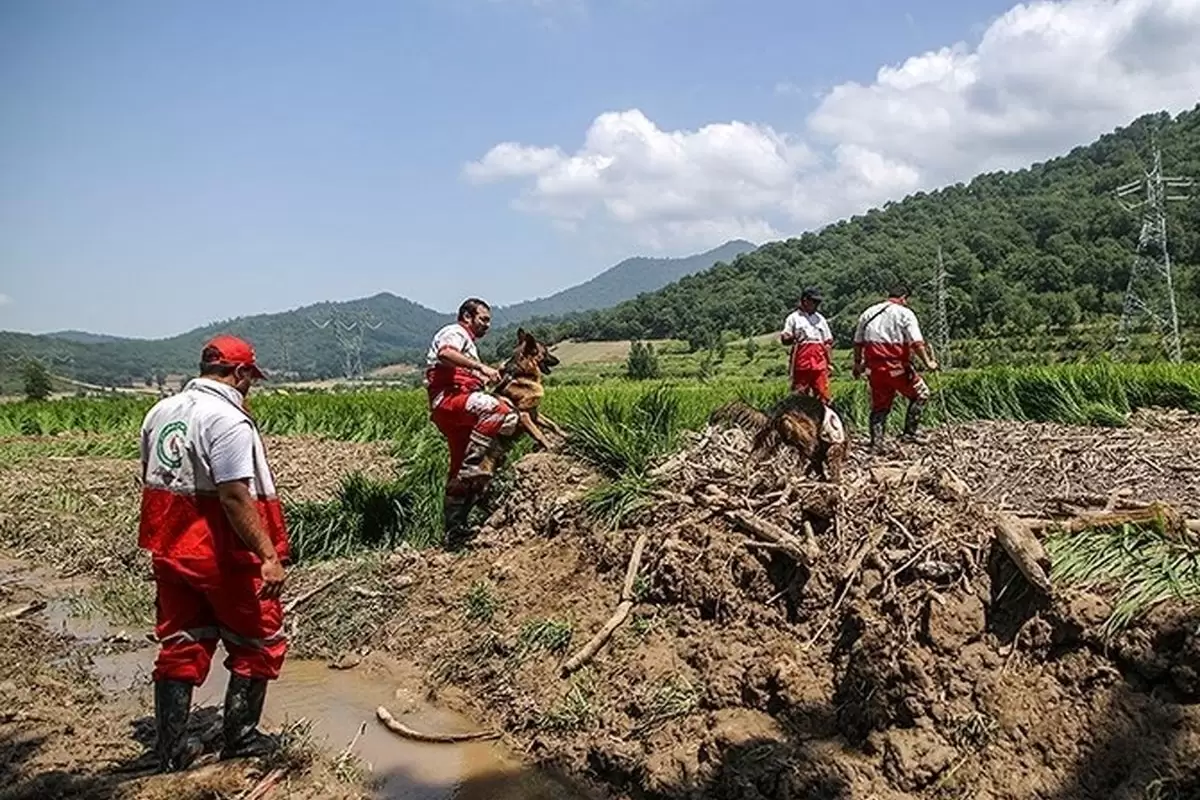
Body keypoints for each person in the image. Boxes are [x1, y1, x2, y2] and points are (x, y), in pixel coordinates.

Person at [138, 335, 289, 772]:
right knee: (258, 641)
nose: (250, 387)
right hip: (222, 553)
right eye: (250, 379)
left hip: (170, 548)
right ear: (240, 374)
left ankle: (170, 749)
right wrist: (267, 555)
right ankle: (240, 738)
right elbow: (235, 496)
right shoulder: (227, 419)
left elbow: (149, 476)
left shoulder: (160, 411)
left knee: (182, 642)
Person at [424, 298, 518, 545]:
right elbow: (445, 353)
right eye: (483, 319)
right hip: (450, 400)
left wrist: (488, 375)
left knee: (457, 470)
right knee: (501, 411)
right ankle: (477, 464)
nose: (487, 325)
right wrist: (481, 367)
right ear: (467, 316)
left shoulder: (469, 346)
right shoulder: (454, 332)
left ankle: (454, 530)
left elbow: (467, 374)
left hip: (457, 407)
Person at [852, 284, 939, 451]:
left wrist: (857, 365)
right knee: (921, 394)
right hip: (897, 367)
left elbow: (857, 343)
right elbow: (916, 343)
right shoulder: (905, 314)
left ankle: (877, 443)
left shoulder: (868, 312)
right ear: (904, 298)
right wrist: (928, 363)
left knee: (879, 406)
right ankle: (909, 433)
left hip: (874, 370)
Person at [780, 286, 834, 405]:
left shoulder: (820, 319)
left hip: (819, 363)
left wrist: (830, 363)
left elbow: (828, 343)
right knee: (799, 395)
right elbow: (785, 337)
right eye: (814, 302)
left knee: (823, 394)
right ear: (805, 300)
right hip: (801, 362)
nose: (816, 305)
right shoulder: (793, 318)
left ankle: (824, 419)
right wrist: (790, 337)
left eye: (818, 302)